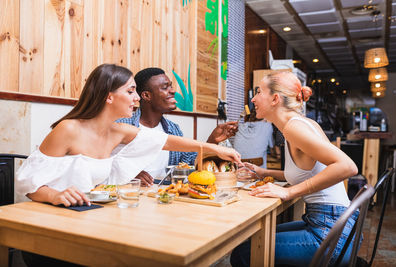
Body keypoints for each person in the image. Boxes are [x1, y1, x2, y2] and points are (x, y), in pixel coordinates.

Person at [15, 64, 241, 207]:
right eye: (130, 92)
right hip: (55, 218)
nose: (136, 99)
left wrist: (218, 148)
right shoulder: (68, 129)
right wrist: (54, 196)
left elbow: (167, 142)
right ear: (109, 97)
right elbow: (27, 182)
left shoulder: (118, 131)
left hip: (90, 213)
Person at [230, 71, 358, 267]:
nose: (253, 99)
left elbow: (348, 167)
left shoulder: (293, 128)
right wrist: (264, 172)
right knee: (256, 237)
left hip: (329, 233)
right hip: (335, 225)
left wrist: (288, 192)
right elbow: (309, 172)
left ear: (275, 99)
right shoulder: (300, 125)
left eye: (258, 92)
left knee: (243, 253)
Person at [117, 67, 238, 186]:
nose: (173, 91)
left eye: (171, 86)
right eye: (165, 87)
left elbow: (188, 163)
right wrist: (129, 174)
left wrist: (213, 140)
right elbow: (106, 162)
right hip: (128, 196)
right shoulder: (123, 125)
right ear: (146, 96)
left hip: (163, 197)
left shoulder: (173, 129)